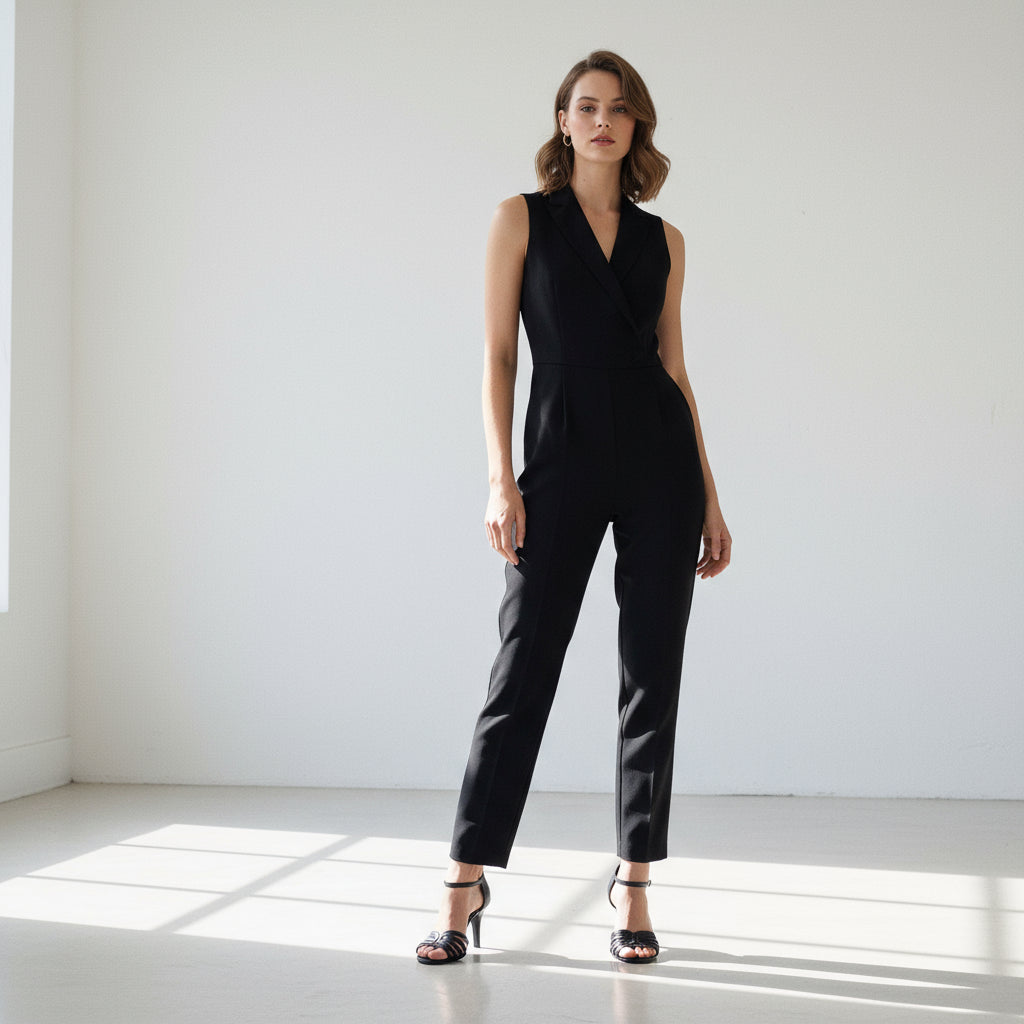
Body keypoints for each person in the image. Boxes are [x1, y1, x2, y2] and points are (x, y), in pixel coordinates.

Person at [416, 49, 731, 966]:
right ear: (563, 122)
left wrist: (710, 496)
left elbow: (675, 370)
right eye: (586, 107)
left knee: (651, 677)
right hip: (556, 461)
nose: (603, 121)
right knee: (522, 671)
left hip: (658, 467)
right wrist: (498, 475)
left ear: (637, 128)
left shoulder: (665, 241)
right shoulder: (521, 220)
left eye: (620, 109)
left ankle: (634, 883)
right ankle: (464, 879)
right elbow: (498, 358)